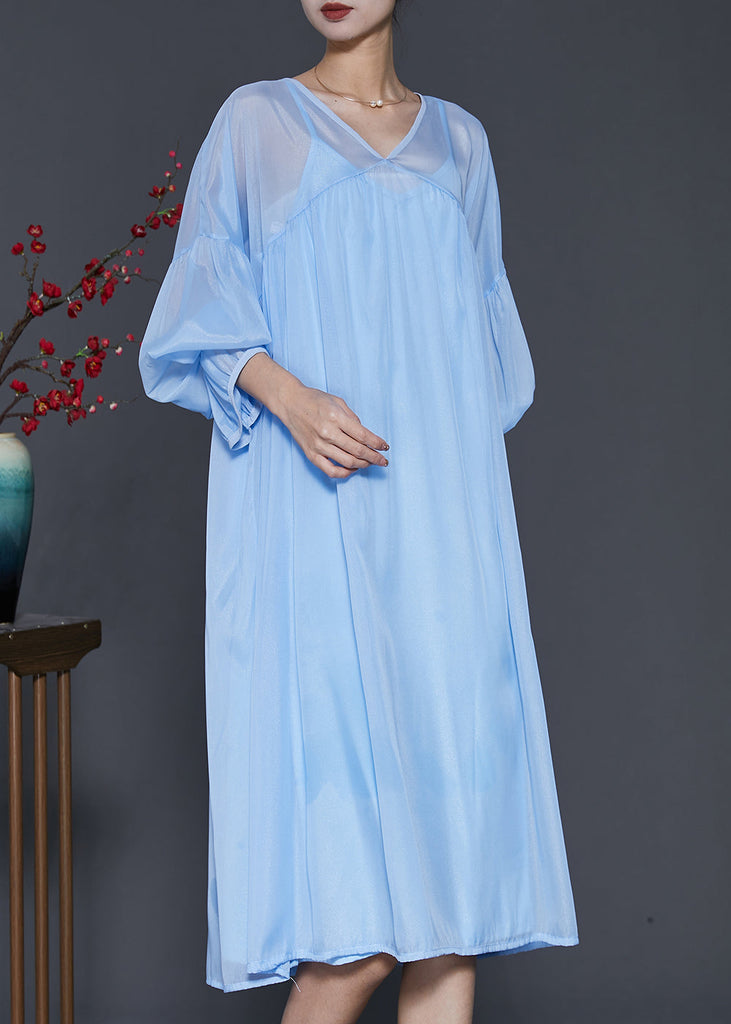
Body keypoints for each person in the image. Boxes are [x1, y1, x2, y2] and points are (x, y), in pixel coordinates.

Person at [138, 1, 580, 1020]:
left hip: (444, 548)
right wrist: (293, 398)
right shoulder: (256, 122)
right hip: (318, 541)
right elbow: (196, 315)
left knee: (452, 922)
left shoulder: (460, 145)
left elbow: (484, 366)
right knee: (353, 941)